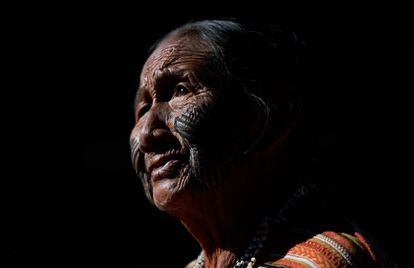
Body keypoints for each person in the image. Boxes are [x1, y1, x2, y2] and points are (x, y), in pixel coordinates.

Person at [129, 20, 392, 268]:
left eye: (181, 91)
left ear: (268, 121)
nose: (147, 135)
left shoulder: (323, 261)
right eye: (143, 109)